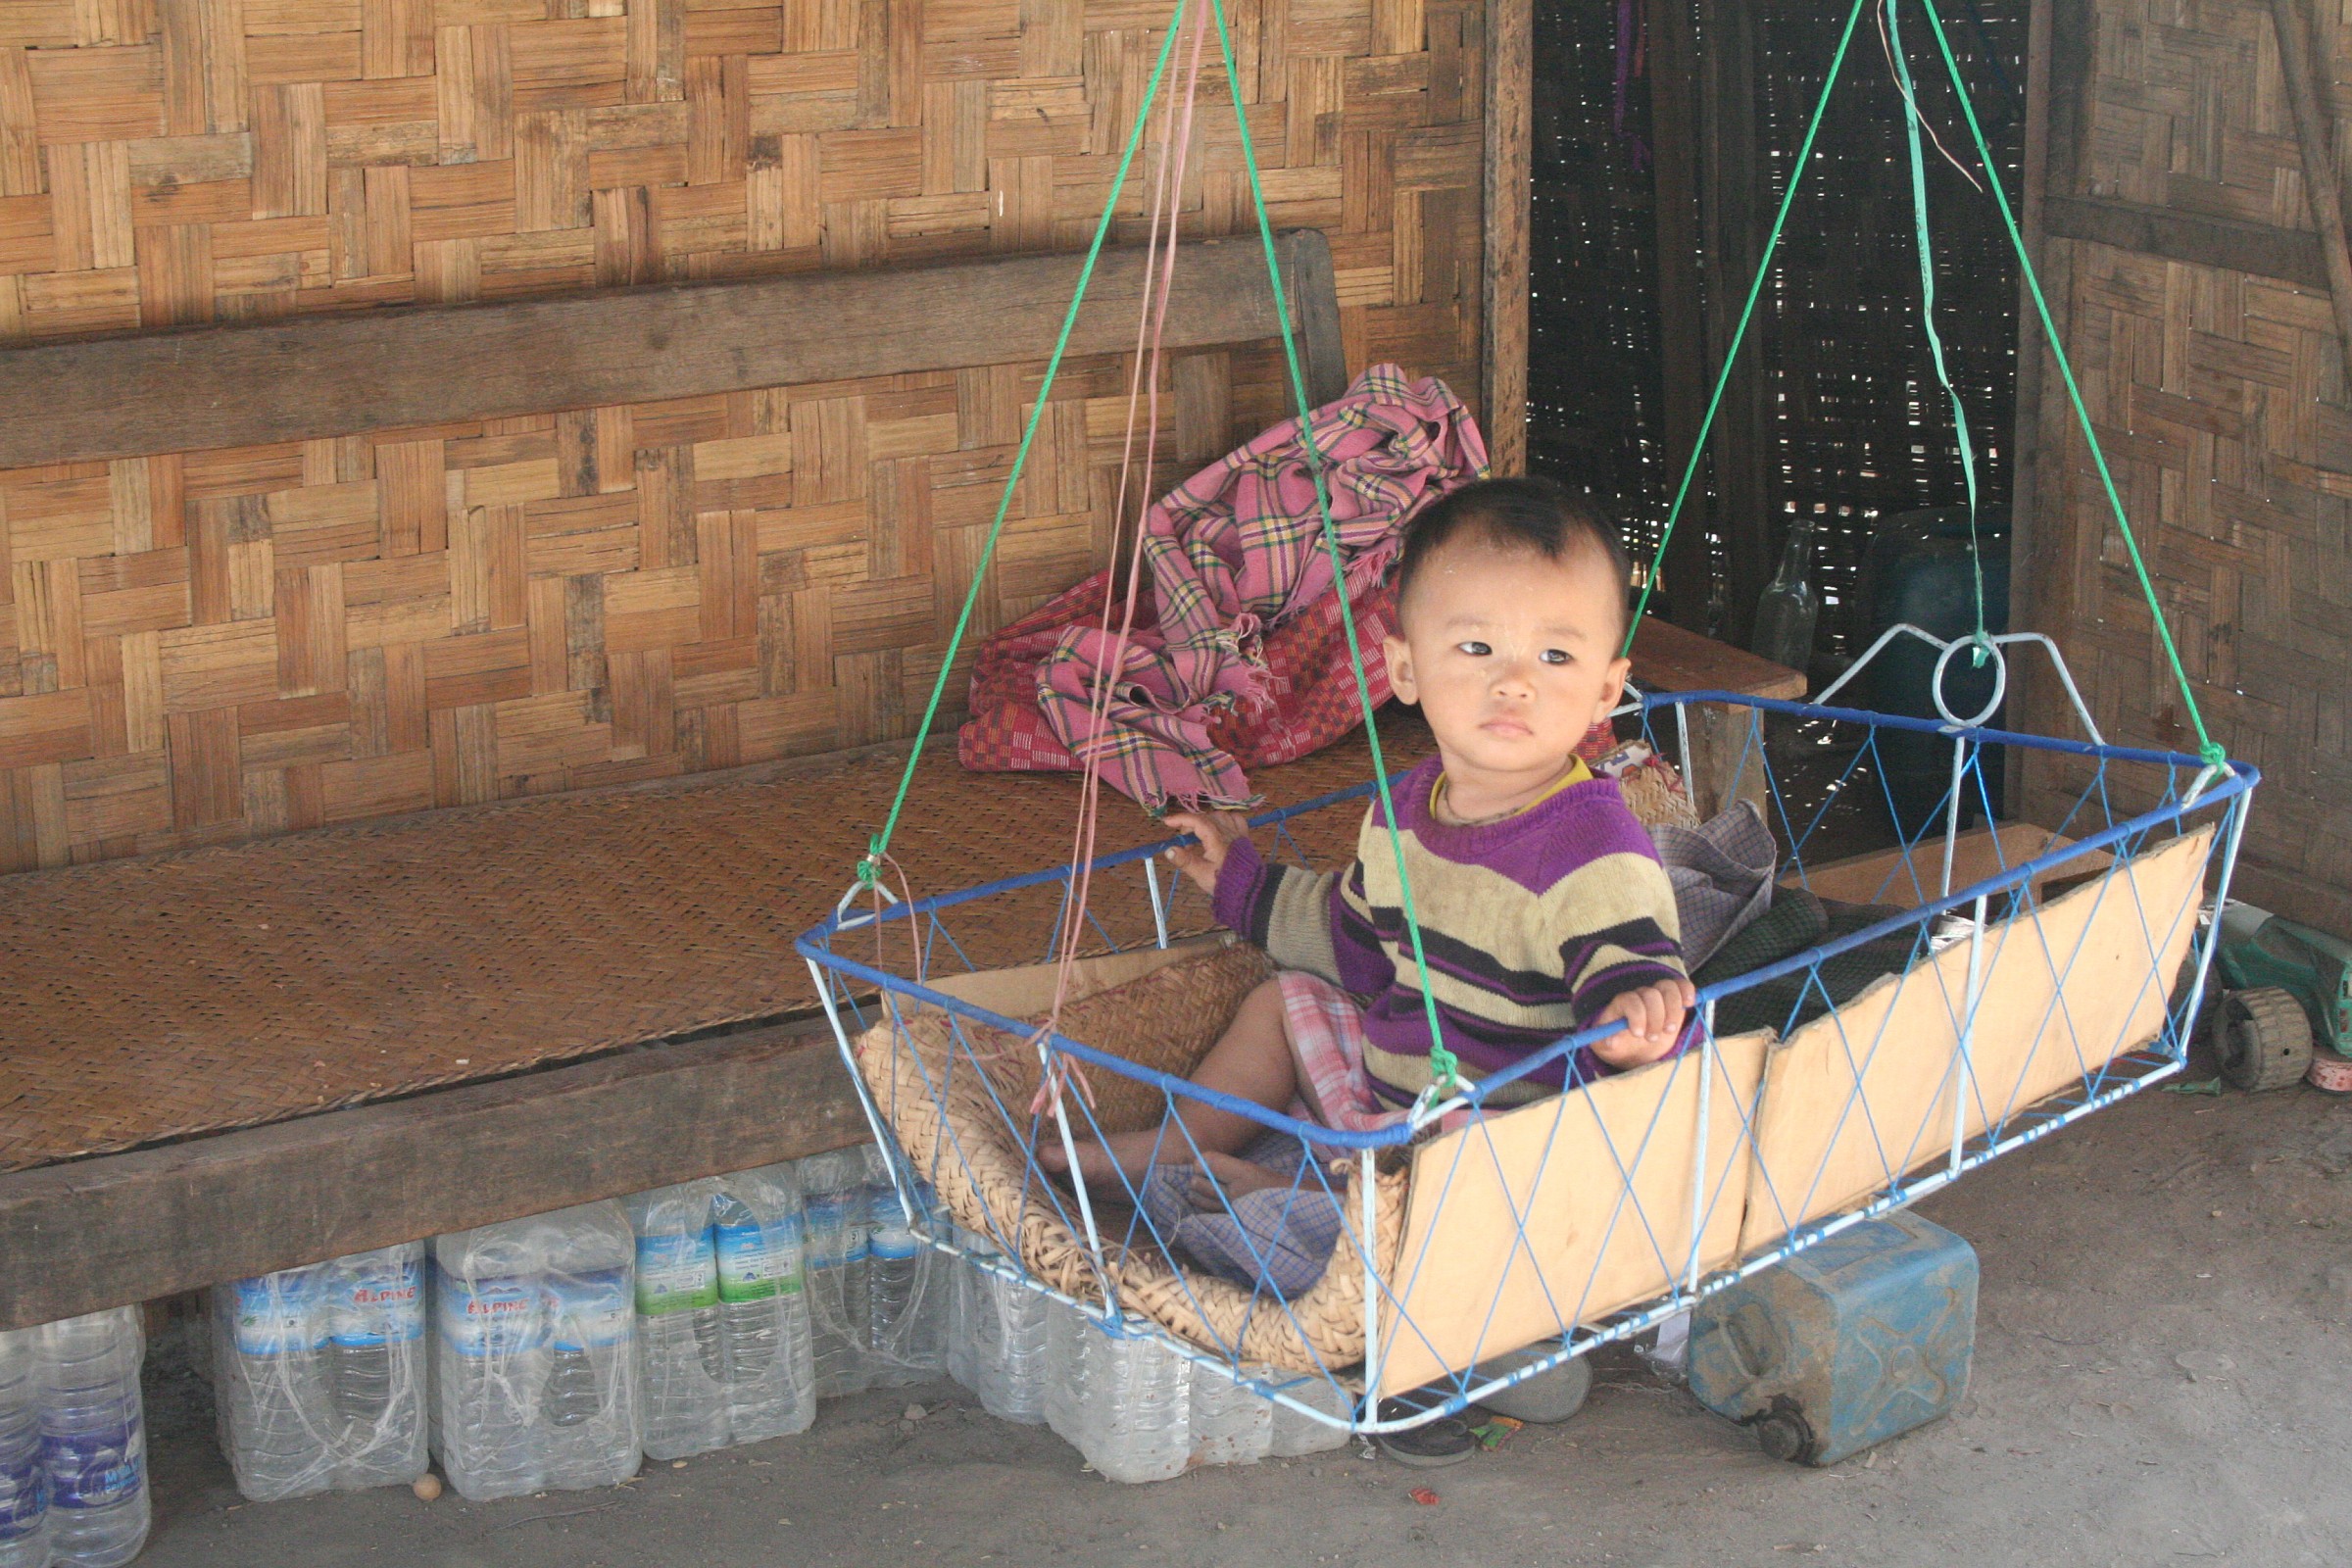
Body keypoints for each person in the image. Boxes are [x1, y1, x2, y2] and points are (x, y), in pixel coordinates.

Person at [1042, 473, 1694, 1198]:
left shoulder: (1594, 845)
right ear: (1406, 670)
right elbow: (1351, 938)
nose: (1514, 683)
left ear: (1607, 691)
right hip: (1386, 1106)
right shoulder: (1400, 812)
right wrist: (1245, 883)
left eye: (1554, 657)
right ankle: (1177, 1145)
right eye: (1477, 647)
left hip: (1506, 1151)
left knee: (1465, 1168)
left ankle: (1292, 1199)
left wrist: (1638, 1020)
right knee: (1281, 1002)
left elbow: (1637, 970)